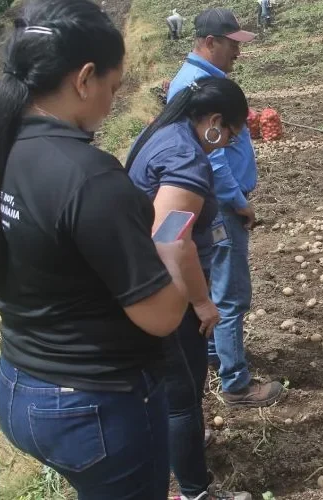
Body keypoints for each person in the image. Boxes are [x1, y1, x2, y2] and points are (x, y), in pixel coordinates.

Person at [0, 0, 194, 498]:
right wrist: (172, 250)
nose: (112, 98)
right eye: (113, 85)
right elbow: (162, 317)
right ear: (84, 79)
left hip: (20, 384)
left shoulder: (4, 146)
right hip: (93, 404)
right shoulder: (89, 177)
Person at [127, 77, 251, 500]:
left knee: (173, 395)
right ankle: (196, 491)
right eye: (230, 134)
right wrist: (201, 302)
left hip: (146, 283)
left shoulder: (161, 132)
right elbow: (170, 239)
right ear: (214, 122)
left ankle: (185, 450)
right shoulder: (186, 159)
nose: (226, 143)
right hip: (169, 291)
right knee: (182, 398)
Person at [169, 8, 285, 406]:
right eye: (233, 44)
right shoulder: (199, 85)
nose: (238, 52)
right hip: (220, 204)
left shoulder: (198, 80)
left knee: (220, 286)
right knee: (230, 293)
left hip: (218, 201)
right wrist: (237, 202)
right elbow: (212, 159)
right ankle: (236, 385)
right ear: (210, 42)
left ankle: (220, 357)